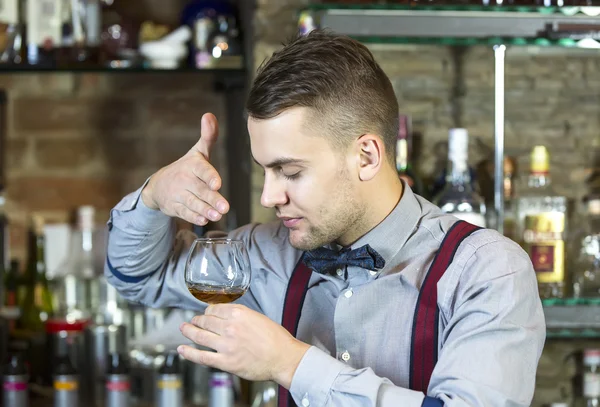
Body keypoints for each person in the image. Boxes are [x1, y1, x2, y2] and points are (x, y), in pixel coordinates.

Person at [105, 29, 546, 406]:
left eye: (290, 171)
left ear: (366, 155)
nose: (269, 195)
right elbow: (137, 278)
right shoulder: (266, 254)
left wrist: (289, 363)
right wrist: (154, 197)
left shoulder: (486, 271)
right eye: (265, 170)